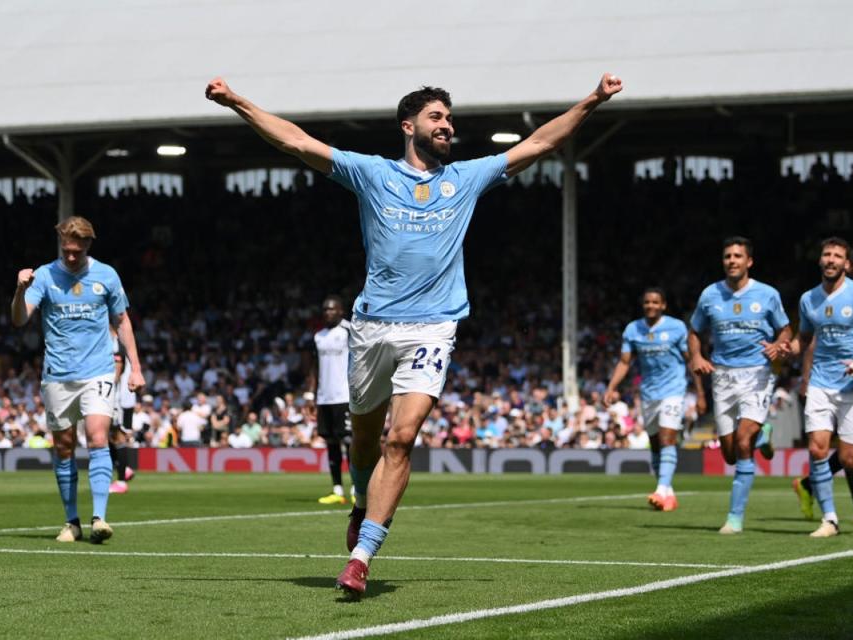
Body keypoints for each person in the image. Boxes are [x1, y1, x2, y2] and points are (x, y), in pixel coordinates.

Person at [206, 70, 623, 596]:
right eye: (437, 117)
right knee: (363, 439)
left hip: (433, 326)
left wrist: (593, 100)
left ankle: (361, 557)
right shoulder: (371, 173)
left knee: (400, 439)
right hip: (373, 326)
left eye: (450, 117)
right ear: (409, 126)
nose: (448, 125)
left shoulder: (468, 178)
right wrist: (236, 101)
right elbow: (295, 140)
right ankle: (360, 503)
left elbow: (540, 142)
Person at [11, 216, 144, 543]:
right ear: (61, 244)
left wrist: (136, 367)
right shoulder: (43, 276)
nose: (71, 256)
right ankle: (72, 522)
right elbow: (19, 319)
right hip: (58, 374)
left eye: (77, 250)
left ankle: (99, 518)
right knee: (65, 446)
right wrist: (19, 290)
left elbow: (123, 321)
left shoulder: (106, 275)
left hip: (97, 371)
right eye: (67, 250)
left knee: (98, 438)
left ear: (88, 245)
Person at [779, 238, 853, 537]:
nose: (831, 259)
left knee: (848, 459)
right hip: (821, 382)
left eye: (837, 256)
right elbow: (804, 340)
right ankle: (829, 519)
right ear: (821, 261)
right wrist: (785, 349)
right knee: (817, 450)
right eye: (826, 254)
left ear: (846, 264)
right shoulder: (808, 299)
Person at [688, 237, 791, 534]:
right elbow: (694, 331)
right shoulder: (710, 295)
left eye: (737, 256)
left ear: (749, 262)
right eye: (727, 256)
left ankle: (734, 518)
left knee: (743, 442)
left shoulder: (767, 294)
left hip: (757, 374)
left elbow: (785, 329)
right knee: (730, 453)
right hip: (722, 376)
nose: (732, 260)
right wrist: (696, 355)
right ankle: (763, 435)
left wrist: (778, 345)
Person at [604, 288, 704, 512]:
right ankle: (668, 494)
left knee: (668, 438)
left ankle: (660, 489)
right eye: (647, 302)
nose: (651, 305)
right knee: (656, 445)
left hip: (673, 391)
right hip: (648, 394)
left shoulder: (677, 327)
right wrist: (611, 387)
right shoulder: (633, 329)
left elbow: (692, 361)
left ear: (663, 305)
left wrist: (700, 393)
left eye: (655, 302)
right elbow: (624, 362)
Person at [309, 295, 354, 505]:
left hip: (344, 395)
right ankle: (337, 490)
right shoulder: (319, 336)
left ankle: (357, 489)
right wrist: (311, 394)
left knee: (349, 441)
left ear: (341, 311)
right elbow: (314, 367)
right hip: (324, 398)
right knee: (331, 442)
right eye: (325, 309)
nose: (328, 312)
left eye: (332, 309)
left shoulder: (349, 331)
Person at [108, 325, 137, 494]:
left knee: (117, 436)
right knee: (108, 435)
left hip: (116, 396)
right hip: (116, 396)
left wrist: (108, 388)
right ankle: (124, 469)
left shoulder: (115, 342)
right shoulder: (112, 341)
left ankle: (121, 481)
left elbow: (118, 367)